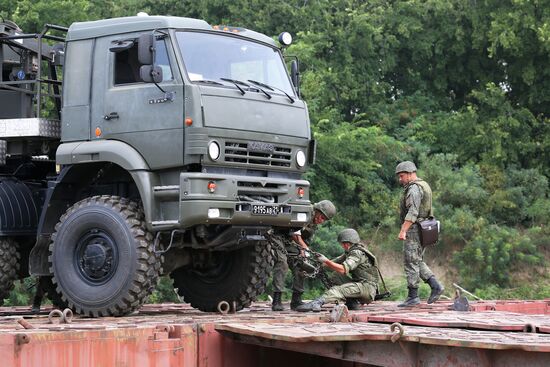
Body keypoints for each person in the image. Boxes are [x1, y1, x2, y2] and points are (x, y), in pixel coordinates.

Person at [270, 200, 336, 311]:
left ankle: (296, 300)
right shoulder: (305, 212)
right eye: (322, 217)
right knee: (282, 263)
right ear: (317, 211)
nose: (321, 220)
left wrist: (303, 252)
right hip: (277, 236)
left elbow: (305, 240)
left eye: (324, 220)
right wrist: (304, 248)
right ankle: (277, 300)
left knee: (301, 264)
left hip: (290, 242)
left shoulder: (313, 224)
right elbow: (295, 233)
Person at [395, 160, 444, 307]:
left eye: (402, 176)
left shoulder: (414, 188)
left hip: (415, 228)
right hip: (424, 227)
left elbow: (413, 211)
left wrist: (403, 230)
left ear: (410, 174)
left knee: (410, 261)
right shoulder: (424, 184)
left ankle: (413, 296)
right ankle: (435, 285)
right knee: (416, 260)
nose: (400, 179)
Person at [296, 228, 379, 312]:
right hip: (360, 285)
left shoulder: (357, 253)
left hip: (367, 288)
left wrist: (326, 260)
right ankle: (352, 301)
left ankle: (317, 302)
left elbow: (343, 269)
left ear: (346, 244)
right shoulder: (349, 252)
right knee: (336, 275)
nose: (342, 246)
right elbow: (332, 263)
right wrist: (317, 263)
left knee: (338, 289)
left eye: (342, 244)